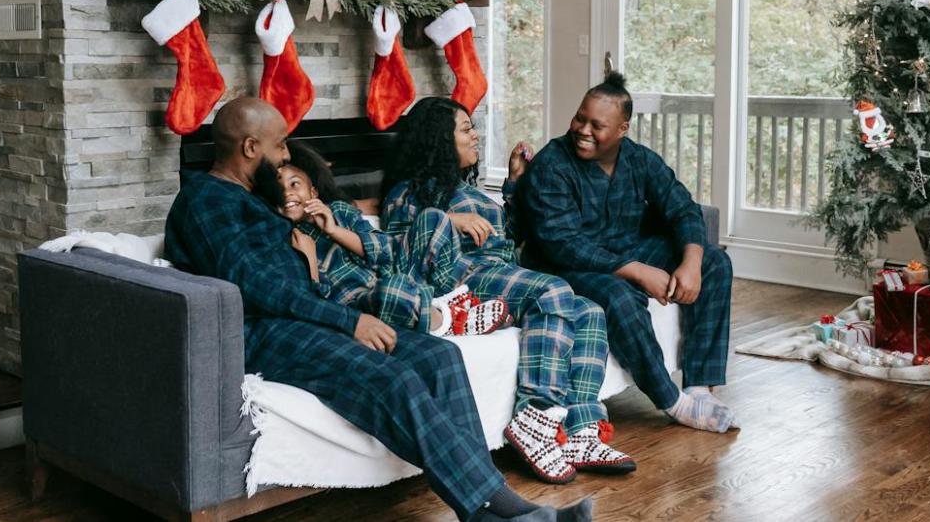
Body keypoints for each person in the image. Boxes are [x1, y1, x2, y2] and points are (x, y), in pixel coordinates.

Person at [163, 96, 591, 522]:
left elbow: (297, 267)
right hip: (265, 330)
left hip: (306, 315)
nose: (287, 155)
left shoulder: (256, 198)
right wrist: (350, 321)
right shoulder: (206, 200)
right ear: (250, 148)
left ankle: (495, 510)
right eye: (280, 146)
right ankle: (511, 514)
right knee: (394, 378)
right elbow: (256, 286)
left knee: (439, 356)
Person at [381, 97, 635, 484]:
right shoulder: (409, 191)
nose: (475, 135)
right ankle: (536, 415)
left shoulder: (467, 187)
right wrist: (451, 219)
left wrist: (514, 183)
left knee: (589, 311)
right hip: (463, 280)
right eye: (465, 129)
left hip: (501, 273)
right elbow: (400, 244)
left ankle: (582, 429)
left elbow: (507, 238)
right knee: (552, 290)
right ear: (437, 140)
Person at [518, 73, 738, 434]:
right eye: (579, 118)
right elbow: (561, 242)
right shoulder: (551, 165)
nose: (583, 130)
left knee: (716, 262)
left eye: (597, 125)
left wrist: (692, 260)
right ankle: (672, 401)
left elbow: (683, 208)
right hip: (565, 263)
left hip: (625, 248)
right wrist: (635, 270)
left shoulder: (640, 160)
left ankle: (698, 386)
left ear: (622, 129)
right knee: (618, 295)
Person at [277, 141, 512, 337]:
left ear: (313, 192)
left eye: (295, 184)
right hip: (365, 301)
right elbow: (315, 302)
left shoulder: (338, 211)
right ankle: (448, 319)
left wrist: (334, 231)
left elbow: (384, 250)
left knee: (434, 218)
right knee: (393, 290)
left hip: (395, 274)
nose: (287, 193)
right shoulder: (289, 241)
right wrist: (309, 262)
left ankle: (442, 303)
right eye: (278, 190)